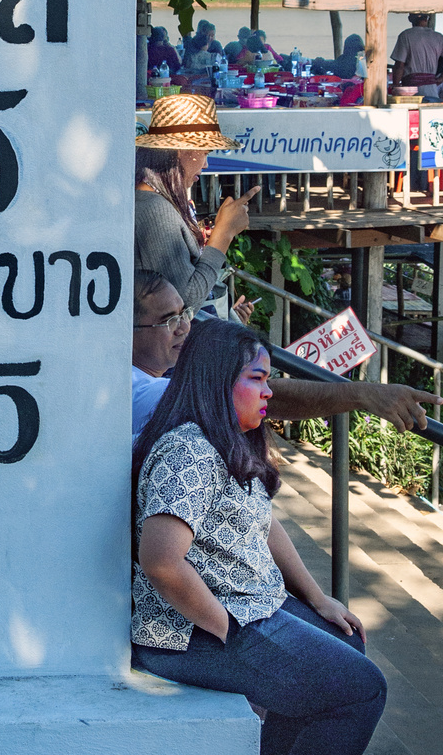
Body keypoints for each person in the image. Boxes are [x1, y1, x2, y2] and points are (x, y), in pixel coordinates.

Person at [131, 318, 387, 755]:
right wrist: (226, 629)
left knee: (346, 640)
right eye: (258, 379)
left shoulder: (225, 440)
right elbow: (161, 561)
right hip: (189, 634)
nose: (269, 392)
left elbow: (263, 521)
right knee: (363, 689)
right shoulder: (189, 451)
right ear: (217, 381)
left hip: (247, 607)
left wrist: (317, 597)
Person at [131, 269, 442, 439]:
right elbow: (254, 397)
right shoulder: (138, 392)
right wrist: (363, 395)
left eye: (184, 313)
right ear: (126, 332)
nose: (184, 327)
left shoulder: (155, 379)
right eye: (167, 320)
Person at [135, 94, 258, 315]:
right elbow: (183, 303)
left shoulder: (155, 201)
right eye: (205, 152)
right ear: (181, 151)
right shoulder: (155, 210)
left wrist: (226, 316)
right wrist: (224, 234)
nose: (206, 163)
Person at [391, 13, 443, 100]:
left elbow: (399, 65)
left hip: (411, 92)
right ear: (427, 19)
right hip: (432, 90)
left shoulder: (406, 35)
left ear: (410, 19)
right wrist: (441, 79)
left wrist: (396, 86)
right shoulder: (438, 37)